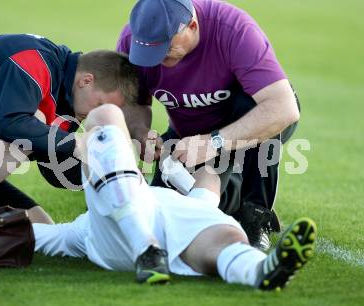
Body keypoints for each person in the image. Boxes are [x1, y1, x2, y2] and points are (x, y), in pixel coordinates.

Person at [33, 104, 316, 290]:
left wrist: (180, 164)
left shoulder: (192, 203)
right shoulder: (86, 226)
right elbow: (40, 236)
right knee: (105, 114)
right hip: (124, 228)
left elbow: (209, 177)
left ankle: (260, 270)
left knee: (226, 241)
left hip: (174, 229)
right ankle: (145, 247)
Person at [116, 0, 301, 250]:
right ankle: (231, 199)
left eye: (165, 47)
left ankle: (256, 213)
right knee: (169, 210)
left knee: (251, 105)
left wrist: (214, 142)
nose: (157, 58)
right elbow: (132, 102)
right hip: (189, 133)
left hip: (242, 123)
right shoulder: (133, 41)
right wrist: (140, 132)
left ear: (192, 26)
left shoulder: (234, 30)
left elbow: (282, 107)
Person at [0, 34, 139, 223]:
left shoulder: (71, 97)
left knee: (41, 228)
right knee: (25, 125)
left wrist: (110, 165)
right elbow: (10, 124)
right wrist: (75, 142)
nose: (96, 113)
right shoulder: (35, 59)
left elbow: (56, 169)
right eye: (100, 104)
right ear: (86, 81)